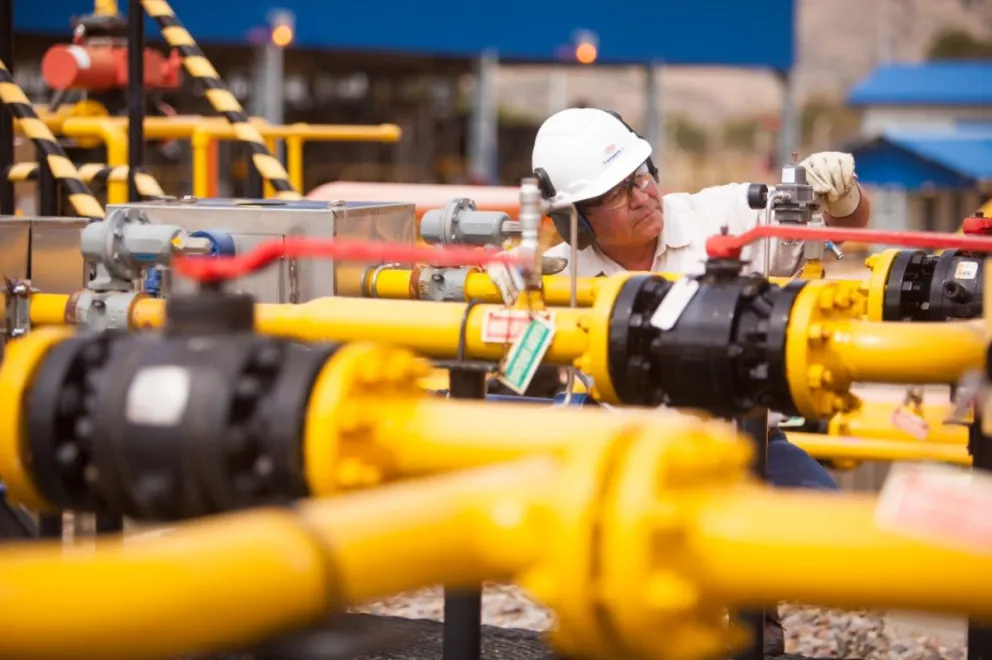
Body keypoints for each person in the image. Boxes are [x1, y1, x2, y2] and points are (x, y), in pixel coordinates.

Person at [530, 107, 872, 655]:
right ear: (576, 220)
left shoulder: (728, 215)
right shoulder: (551, 277)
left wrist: (843, 196)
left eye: (643, 175)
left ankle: (749, 614)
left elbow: (848, 226)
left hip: (743, 443)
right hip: (624, 460)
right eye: (618, 193)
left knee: (825, 525)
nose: (643, 195)